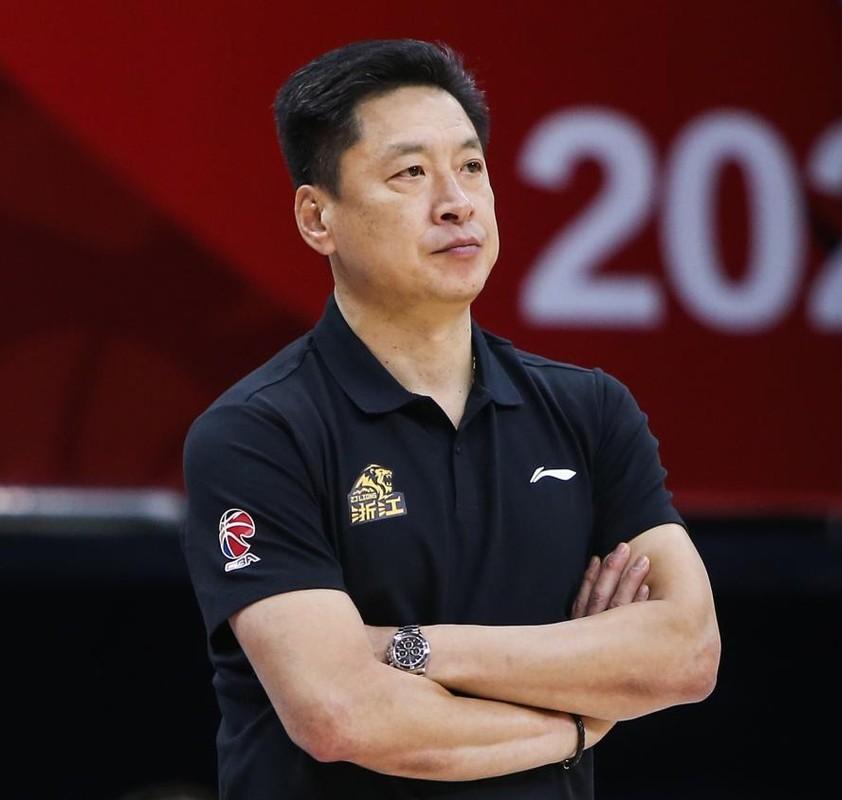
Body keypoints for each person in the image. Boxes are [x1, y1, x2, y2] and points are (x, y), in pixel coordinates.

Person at [180, 39, 720, 800]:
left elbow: (687, 654)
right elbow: (341, 714)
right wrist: (574, 723)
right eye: (410, 173)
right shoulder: (258, 433)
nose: (457, 201)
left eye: (470, 167)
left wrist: (408, 650)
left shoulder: (589, 409)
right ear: (316, 217)